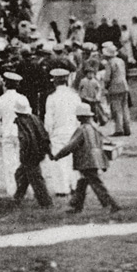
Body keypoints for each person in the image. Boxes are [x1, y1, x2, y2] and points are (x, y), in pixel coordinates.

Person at [53, 104, 121, 215]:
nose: (77, 117)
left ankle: (111, 204)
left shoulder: (82, 129)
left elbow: (71, 145)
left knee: (96, 184)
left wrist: (58, 155)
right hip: (95, 159)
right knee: (82, 182)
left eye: (78, 116)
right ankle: (76, 205)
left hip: (86, 160)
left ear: (81, 117)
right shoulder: (94, 128)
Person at [44, 68, 80, 199]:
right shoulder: (75, 96)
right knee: (73, 159)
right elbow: (79, 115)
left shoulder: (52, 98)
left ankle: (62, 188)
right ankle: (74, 185)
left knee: (59, 161)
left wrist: (48, 133)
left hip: (58, 132)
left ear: (55, 82)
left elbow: (49, 119)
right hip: (73, 131)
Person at [12, 97, 53, 207]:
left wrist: (23, 154)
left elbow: (24, 140)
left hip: (29, 154)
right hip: (38, 152)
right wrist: (48, 150)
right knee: (22, 174)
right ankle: (18, 197)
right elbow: (44, 135)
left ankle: (46, 203)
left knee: (35, 179)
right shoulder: (35, 118)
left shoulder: (20, 122)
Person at [0, 72, 25, 197]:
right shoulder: (22, 99)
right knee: (20, 161)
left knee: (8, 162)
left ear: (5, 84)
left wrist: (0, 131)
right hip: (20, 133)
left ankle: (11, 189)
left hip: (7, 132)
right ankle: (21, 187)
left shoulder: (0, 100)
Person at [102, 43, 131, 136]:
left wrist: (105, 86)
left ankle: (119, 129)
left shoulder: (109, 63)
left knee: (116, 108)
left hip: (115, 86)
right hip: (124, 85)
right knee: (125, 107)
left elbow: (107, 77)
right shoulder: (120, 61)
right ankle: (127, 127)